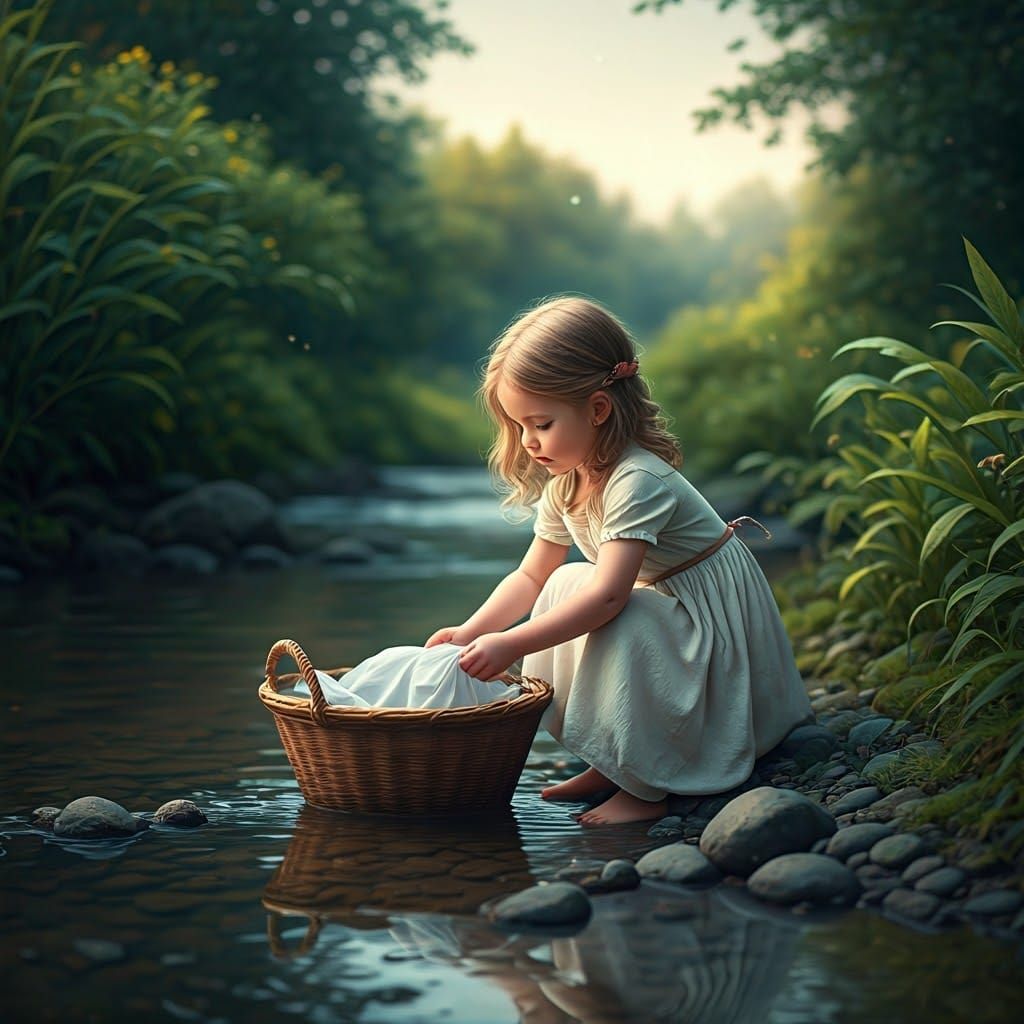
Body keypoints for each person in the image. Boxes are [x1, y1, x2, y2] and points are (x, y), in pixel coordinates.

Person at [426, 296, 813, 826]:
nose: (529, 441)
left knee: (615, 612)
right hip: (666, 605)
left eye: (540, 423)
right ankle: (613, 763)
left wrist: (513, 644)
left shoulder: (636, 480)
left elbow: (610, 596)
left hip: (709, 620)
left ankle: (648, 785)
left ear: (598, 409)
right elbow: (530, 576)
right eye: (518, 427)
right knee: (562, 583)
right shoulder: (567, 482)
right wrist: (473, 631)